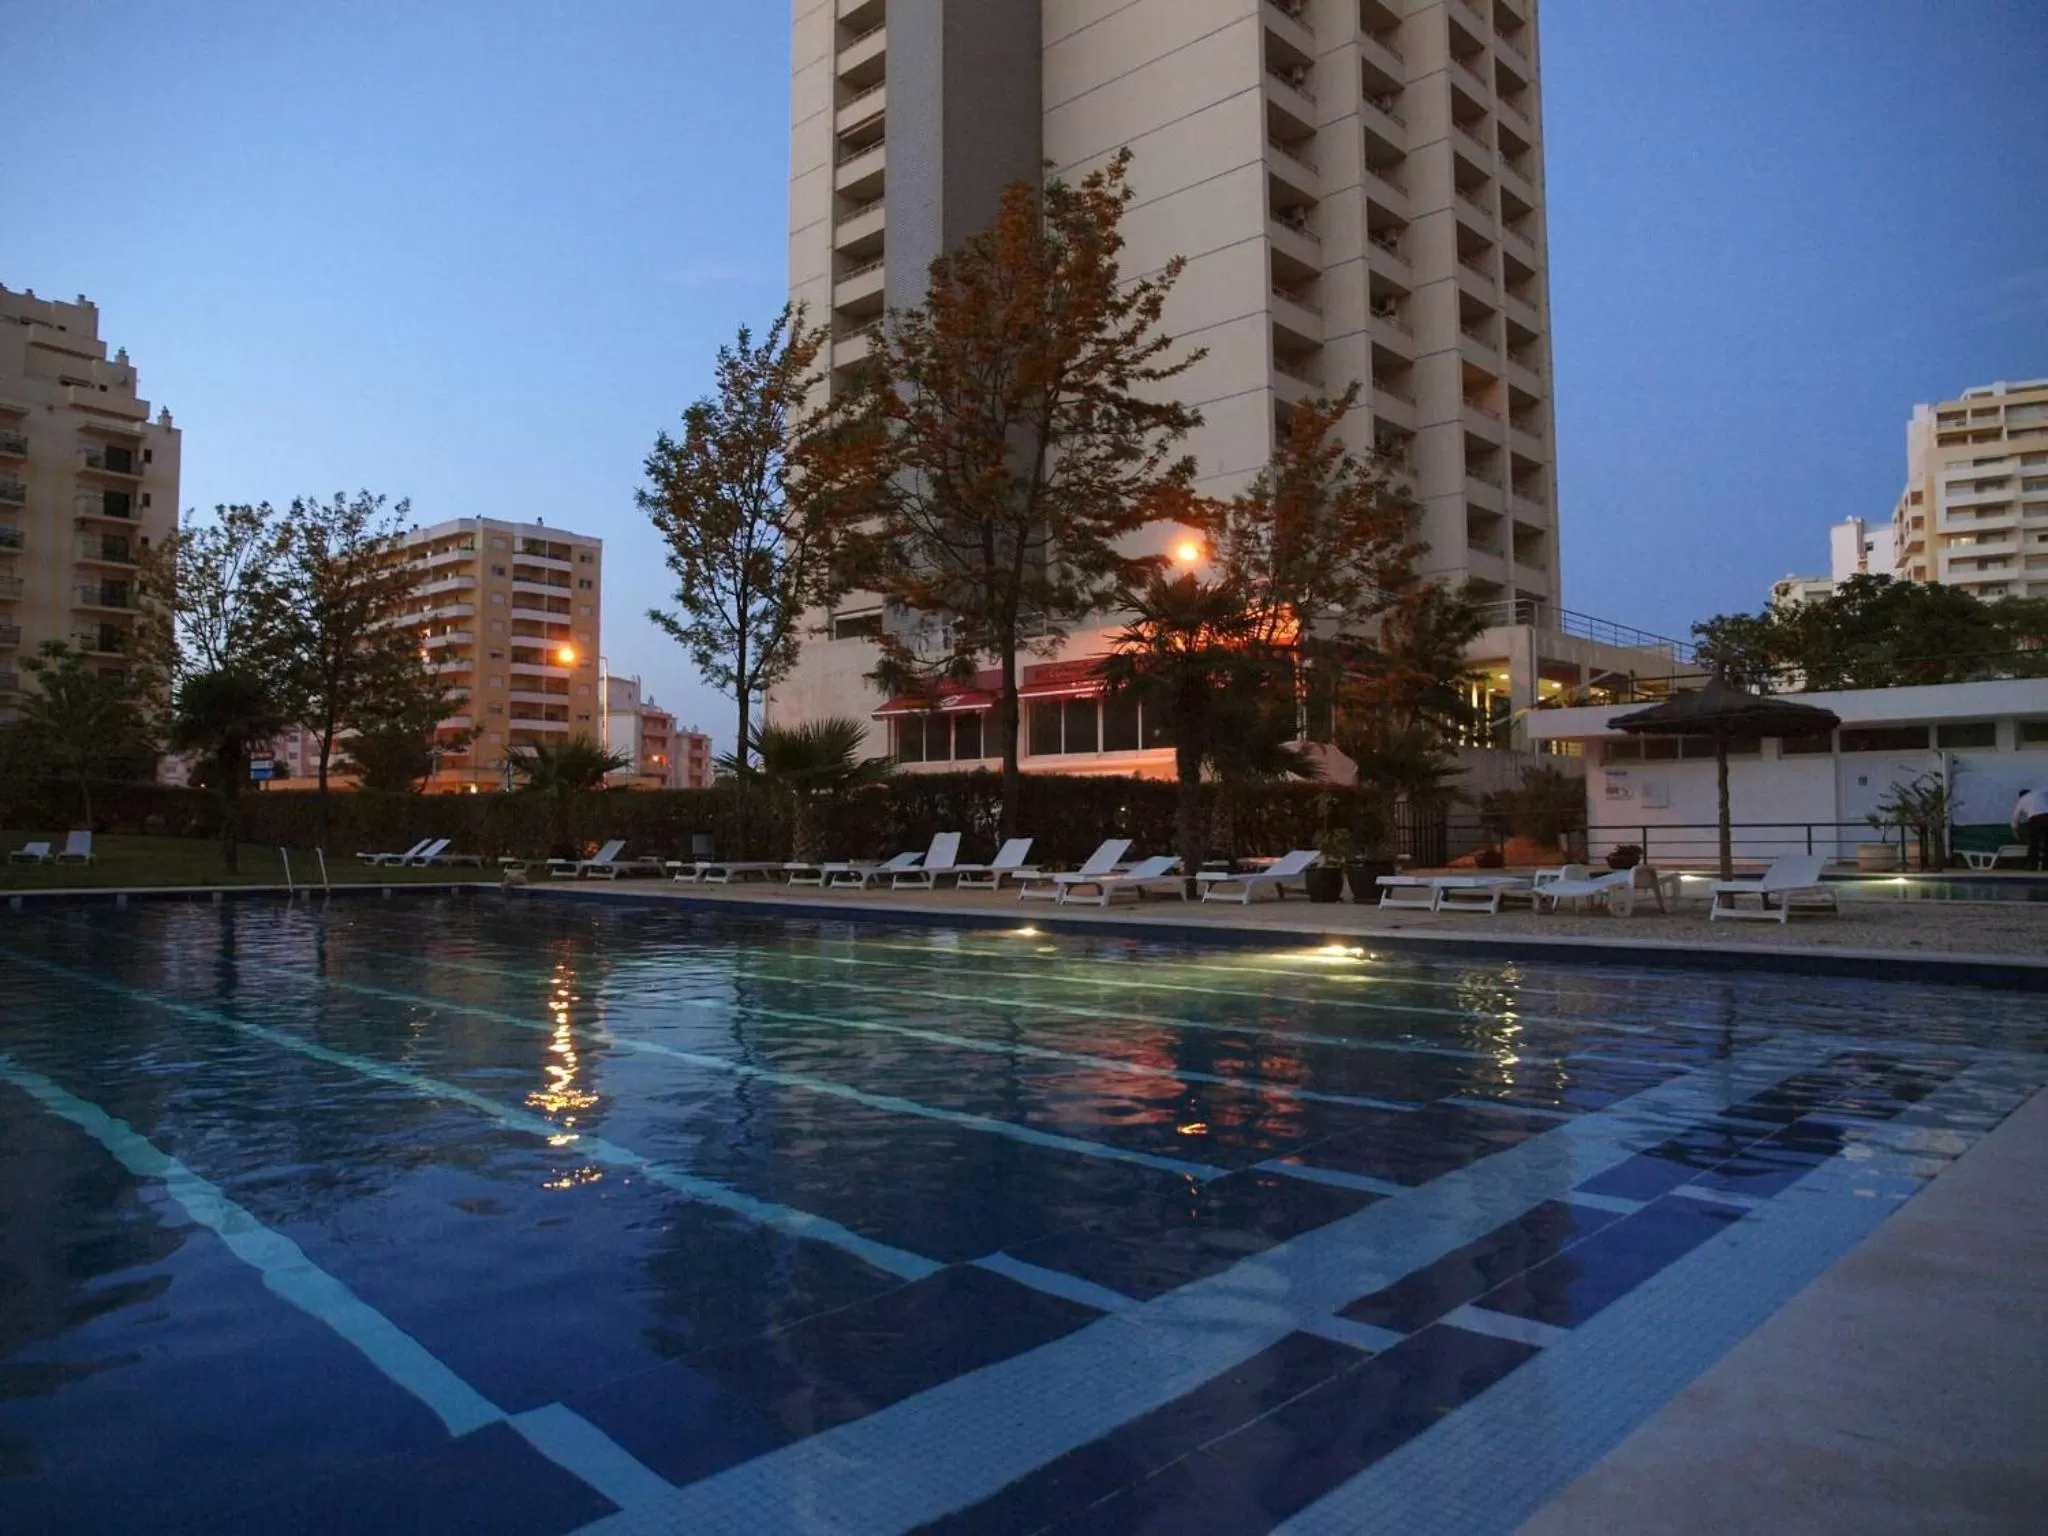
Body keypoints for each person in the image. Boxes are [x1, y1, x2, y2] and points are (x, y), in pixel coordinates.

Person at [2013, 787, 2048, 871]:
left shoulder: (2021, 800)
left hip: (2034, 819)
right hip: (2046, 816)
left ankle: (2032, 866)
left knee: (2034, 843)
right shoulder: (2038, 793)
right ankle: (2046, 866)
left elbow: (2015, 816)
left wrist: (2015, 830)